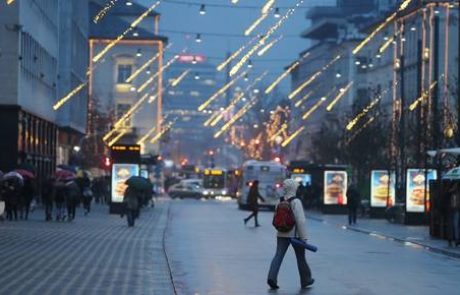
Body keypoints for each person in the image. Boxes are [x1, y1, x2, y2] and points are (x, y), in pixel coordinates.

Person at [267, 179, 314, 290]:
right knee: (301, 258)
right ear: (293, 188)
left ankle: (271, 278)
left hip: (281, 234)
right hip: (295, 236)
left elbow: (276, 217)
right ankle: (306, 280)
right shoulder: (296, 202)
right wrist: (304, 237)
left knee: (278, 256)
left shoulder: (279, 201)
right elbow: (301, 221)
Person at [448, 182, 460, 247]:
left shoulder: (458, 193)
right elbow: (446, 197)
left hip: (457, 210)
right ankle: (453, 239)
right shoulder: (450, 193)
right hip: (452, 210)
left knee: (456, 225)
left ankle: (456, 239)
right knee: (453, 225)